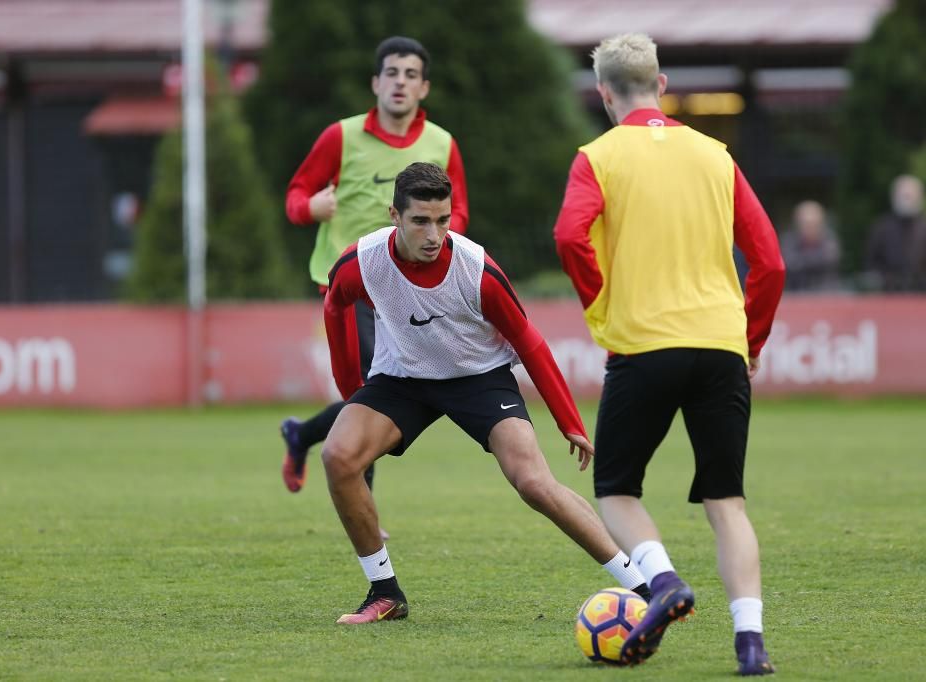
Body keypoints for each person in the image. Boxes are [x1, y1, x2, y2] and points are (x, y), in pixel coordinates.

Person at [322, 162, 650, 625]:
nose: (434, 234)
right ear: (394, 215)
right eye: (420, 220)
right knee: (339, 457)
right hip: (403, 378)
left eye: (443, 220)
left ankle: (643, 587)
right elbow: (335, 304)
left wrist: (569, 422)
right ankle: (385, 592)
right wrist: (350, 389)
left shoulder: (477, 270)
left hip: (480, 376)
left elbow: (529, 341)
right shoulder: (362, 262)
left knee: (534, 484)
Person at [553, 34, 785, 675]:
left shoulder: (597, 156)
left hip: (644, 344)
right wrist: (751, 342)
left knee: (617, 491)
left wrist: (604, 308)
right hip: (718, 346)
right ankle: (751, 645)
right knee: (726, 504)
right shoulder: (716, 154)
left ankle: (662, 584)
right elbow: (769, 260)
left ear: (603, 95)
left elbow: (570, 237)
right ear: (661, 85)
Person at [279, 37, 470, 525]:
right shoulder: (340, 137)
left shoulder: (443, 143)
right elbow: (296, 196)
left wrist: (439, 249)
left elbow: (459, 211)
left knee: (378, 389)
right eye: (391, 73)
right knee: (371, 391)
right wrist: (310, 208)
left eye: (410, 74)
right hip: (348, 285)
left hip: (408, 286)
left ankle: (303, 435)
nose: (400, 82)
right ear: (375, 83)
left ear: (424, 86)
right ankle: (366, 512)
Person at [864, 174, 926, 291]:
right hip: (888, 294)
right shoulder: (881, 228)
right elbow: (871, 262)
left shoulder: (924, 228)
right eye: (904, 196)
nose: (907, 200)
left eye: (910, 196)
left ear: (919, 197)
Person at [780, 200, 841, 292]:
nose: (810, 228)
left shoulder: (830, 239)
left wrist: (800, 262)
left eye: (814, 224)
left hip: (826, 293)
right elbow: (788, 263)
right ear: (798, 224)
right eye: (806, 224)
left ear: (821, 223)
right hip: (795, 293)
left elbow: (831, 259)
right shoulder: (788, 240)